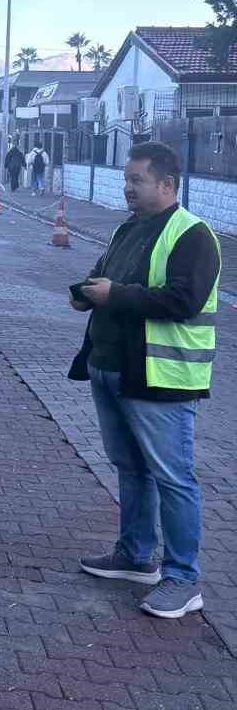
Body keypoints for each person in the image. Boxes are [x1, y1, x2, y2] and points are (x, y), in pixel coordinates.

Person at [70, 141, 221, 620]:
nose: (128, 188)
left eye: (137, 180)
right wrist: (88, 294)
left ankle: (182, 578)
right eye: (126, 180)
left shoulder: (192, 235)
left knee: (173, 477)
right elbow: (105, 276)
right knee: (129, 467)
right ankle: (135, 556)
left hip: (160, 378)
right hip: (112, 368)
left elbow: (182, 301)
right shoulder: (128, 228)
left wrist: (115, 294)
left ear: (167, 184)